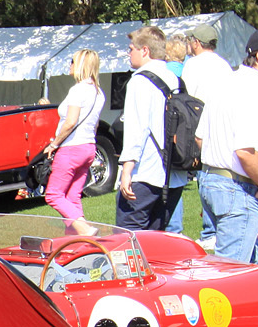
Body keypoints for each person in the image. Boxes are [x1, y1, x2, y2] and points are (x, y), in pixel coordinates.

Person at [197, 26, 258, 264]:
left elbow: (200, 138)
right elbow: (246, 153)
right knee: (231, 277)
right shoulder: (257, 90)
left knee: (249, 269)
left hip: (210, 181)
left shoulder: (225, 82)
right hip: (235, 189)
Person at [116, 26, 180, 233]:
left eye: (131, 49)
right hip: (173, 174)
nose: (129, 53)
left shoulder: (140, 80)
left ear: (145, 51)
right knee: (156, 239)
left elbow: (137, 128)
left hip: (145, 172)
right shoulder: (175, 79)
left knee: (127, 240)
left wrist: (126, 170)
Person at [37, 50, 104, 235]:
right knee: (72, 196)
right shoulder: (98, 93)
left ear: (81, 65)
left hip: (71, 148)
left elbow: (71, 121)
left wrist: (54, 144)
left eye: (73, 61)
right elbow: (95, 124)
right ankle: (75, 241)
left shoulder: (77, 90)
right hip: (89, 147)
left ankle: (83, 228)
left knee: (53, 195)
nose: (70, 65)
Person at [179, 24, 236, 244]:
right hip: (223, 123)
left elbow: (188, 96)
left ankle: (210, 231)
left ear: (196, 42)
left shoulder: (192, 65)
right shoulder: (224, 65)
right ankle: (218, 228)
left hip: (199, 121)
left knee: (205, 173)